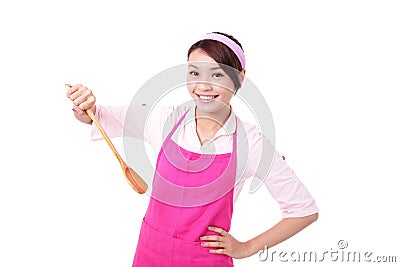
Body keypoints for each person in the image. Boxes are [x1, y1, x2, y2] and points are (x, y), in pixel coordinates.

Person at [66, 32, 319, 266]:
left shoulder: (251, 144)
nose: (203, 86)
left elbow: (303, 210)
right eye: (195, 73)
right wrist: (84, 105)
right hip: (149, 252)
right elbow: (98, 117)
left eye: (217, 75)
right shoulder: (164, 120)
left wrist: (246, 248)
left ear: (240, 76)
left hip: (205, 260)